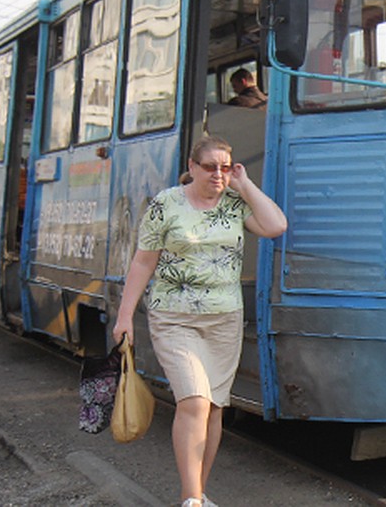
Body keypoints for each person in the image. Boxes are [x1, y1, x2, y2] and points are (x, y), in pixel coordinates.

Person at [112, 136, 287, 507]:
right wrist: (125, 315)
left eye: (226, 167)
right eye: (210, 167)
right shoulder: (166, 204)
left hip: (223, 320)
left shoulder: (235, 203)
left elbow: (275, 226)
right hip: (174, 318)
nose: (218, 175)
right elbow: (144, 261)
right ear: (192, 168)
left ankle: (197, 492)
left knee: (213, 408)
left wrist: (244, 183)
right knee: (194, 400)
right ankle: (191, 499)